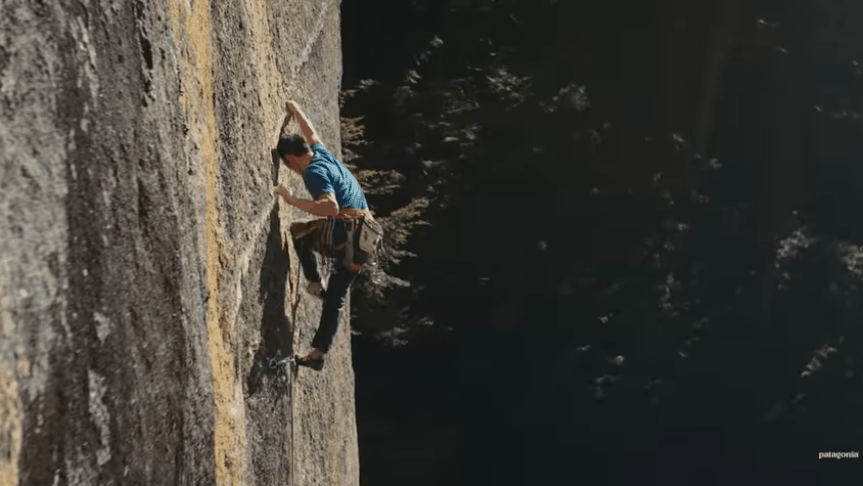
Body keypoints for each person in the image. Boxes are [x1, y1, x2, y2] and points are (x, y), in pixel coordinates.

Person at [274, 100, 382, 371]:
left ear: (292, 159)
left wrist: (291, 200)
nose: (292, 170)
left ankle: (312, 282)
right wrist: (295, 111)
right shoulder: (321, 154)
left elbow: (330, 207)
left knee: (299, 233)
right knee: (335, 297)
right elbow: (313, 135)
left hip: (349, 233)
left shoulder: (313, 172)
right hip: (367, 239)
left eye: (288, 165)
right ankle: (317, 355)